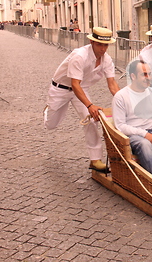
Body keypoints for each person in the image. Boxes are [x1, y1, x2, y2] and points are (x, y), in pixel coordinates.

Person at [44, 27, 120, 172]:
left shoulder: (107, 59)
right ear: (92, 41)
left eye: (106, 45)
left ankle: (95, 160)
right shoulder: (80, 56)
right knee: (51, 125)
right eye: (99, 44)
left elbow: (112, 84)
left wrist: (125, 101)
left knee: (92, 120)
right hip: (61, 88)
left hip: (81, 90)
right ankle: (48, 110)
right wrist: (90, 105)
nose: (103, 49)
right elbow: (74, 84)